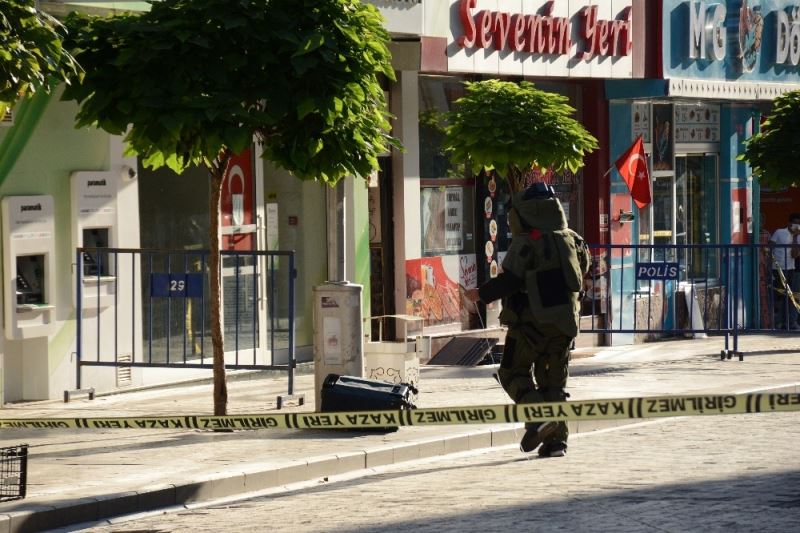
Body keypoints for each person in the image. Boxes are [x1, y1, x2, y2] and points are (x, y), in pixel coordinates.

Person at [466, 183, 589, 457]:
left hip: (529, 326)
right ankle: (556, 442)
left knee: (512, 373)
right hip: (565, 326)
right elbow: (585, 268)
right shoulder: (572, 239)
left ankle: (538, 418)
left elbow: (510, 280)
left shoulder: (527, 242)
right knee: (553, 384)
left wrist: (480, 294)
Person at [769, 213, 800, 330]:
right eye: (795, 223)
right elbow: (770, 246)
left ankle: (789, 322)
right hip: (777, 268)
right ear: (789, 223)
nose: (797, 226)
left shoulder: (798, 237)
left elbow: (795, 255)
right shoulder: (779, 232)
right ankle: (777, 322)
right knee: (779, 296)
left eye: (799, 224)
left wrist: (795, 237)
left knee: (791, 296)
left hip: (791, 269)